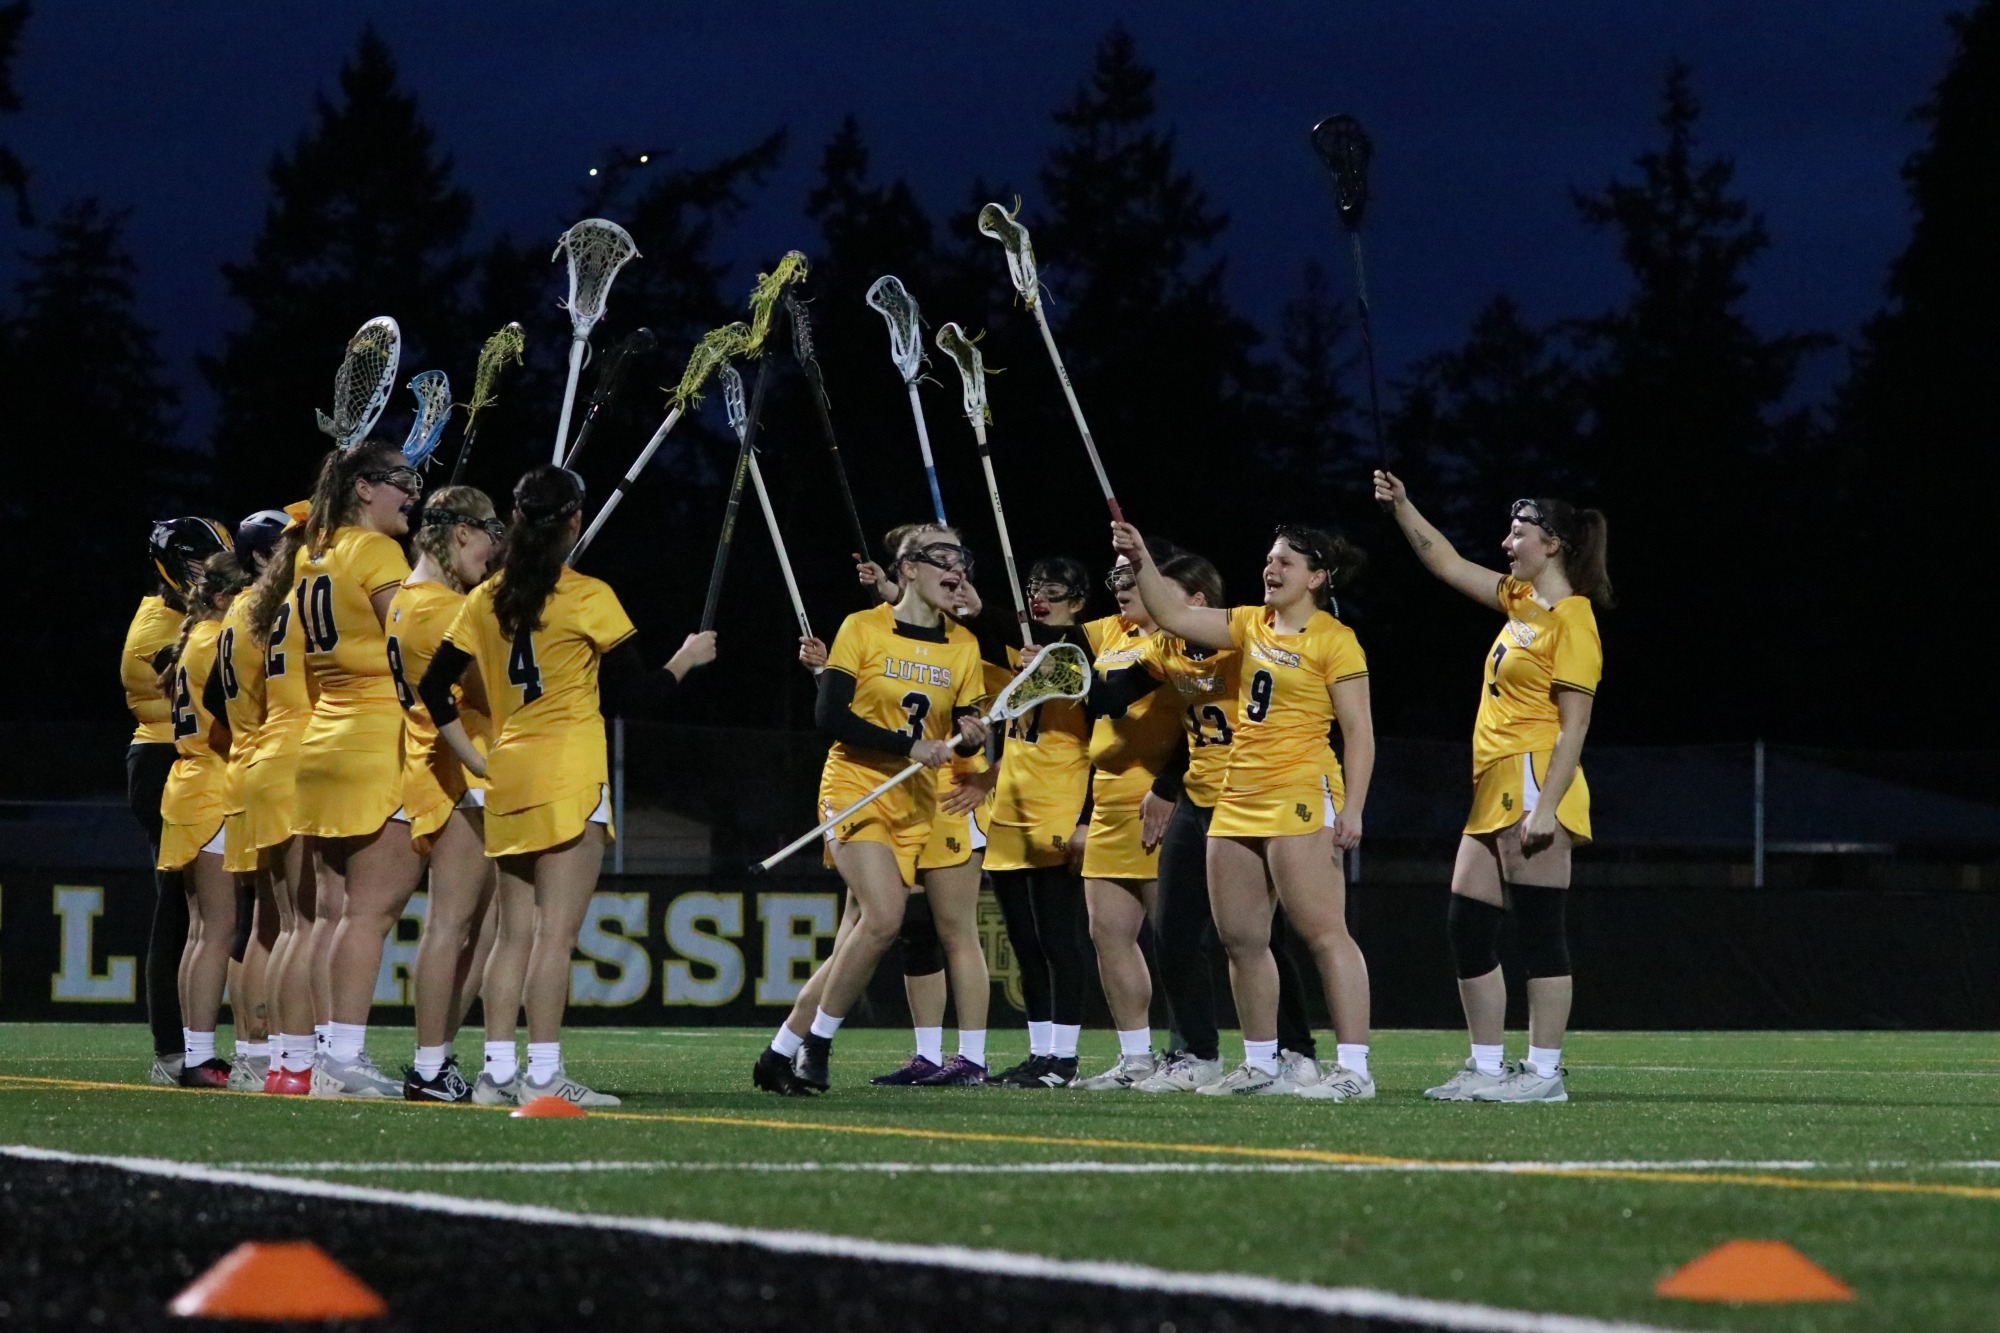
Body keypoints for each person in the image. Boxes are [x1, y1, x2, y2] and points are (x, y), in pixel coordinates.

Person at [421, 466, 715, 1107]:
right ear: (575, 520)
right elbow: (635, 697)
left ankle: (496, 1075)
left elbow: (432, 684)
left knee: (511, 937)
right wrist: (687, 659)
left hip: (508, 772)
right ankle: (543, 1074)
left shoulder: (484, 598)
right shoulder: (587, 595)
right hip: (569, 775)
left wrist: (473, 757)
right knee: (554, 936)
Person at [1111, 520, 1378, 1102]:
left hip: (1299, 789)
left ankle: (1354, 1070)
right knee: (1240, 938)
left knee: (1323, 934)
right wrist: (1140, 558)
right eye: (1269, 559)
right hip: (1238, 793)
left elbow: (1359, 733)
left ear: (1316, 578)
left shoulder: (1335, 639)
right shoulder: (1251, 623)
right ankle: (1261, 1064)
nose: (1270, 569)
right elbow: (1174, 615)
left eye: (1285, 562)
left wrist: (1354, 807)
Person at [1374, 473, 1609, 1104]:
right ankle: (1485, 1067)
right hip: (1496, 782)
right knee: (1467, 926)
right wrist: (1403, 506)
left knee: (1539, 930)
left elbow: (1574, 726)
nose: (1507, 543)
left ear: (1553, 544)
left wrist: (1548, 806)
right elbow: (1447, 564)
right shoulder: (1522, 602)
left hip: (1535, 779)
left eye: (1519, 532)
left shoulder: (1573, 620)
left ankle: (1544, 1074)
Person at [752, 525, 987, 1096]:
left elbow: (964, 735)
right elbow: (830, 717)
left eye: (960, 557)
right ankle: (818, 1045)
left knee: (857, 937)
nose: (956, 568)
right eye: (941, 557)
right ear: (908, 568)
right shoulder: (862, 627)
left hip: (916, 801)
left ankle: (779, 1052)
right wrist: (909, 746)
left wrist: (973, 737)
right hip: (855, 786)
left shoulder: (963, 645)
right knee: (884, 916)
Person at [289, 441, 424, 1097]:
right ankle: (344, 1056)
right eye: (402, 480)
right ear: (363, 488)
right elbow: (411, 643)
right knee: (369, 913)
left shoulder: (313, 552)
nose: (414, 492)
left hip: (325, 741)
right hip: (375, 740)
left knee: (332, 915)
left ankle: (325, 1054)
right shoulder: (375, 551)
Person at [388, 485, 502, 1102]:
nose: (493, 551)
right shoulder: (442, 609)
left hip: (440, 769)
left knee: (474, 930)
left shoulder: (410, 599)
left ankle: (439, 1060)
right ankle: (430, 1066)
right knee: (454, 927)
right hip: (460, 772)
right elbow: (492, 689)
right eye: (489, 536)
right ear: (461, 533)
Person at [1068, 552, 1184, 1090]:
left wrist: (1168, 788)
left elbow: (1202, 725)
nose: (1121, 585)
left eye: (1132, 574)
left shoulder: (1182, 637)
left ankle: (1189, 1053)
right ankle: (1136, 1059)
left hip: (1160, 802)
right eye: (1115, 575)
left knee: (1174, 937)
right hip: (1109, 802)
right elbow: (1053, 631)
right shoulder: (1112, 632)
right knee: (1108, 933)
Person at [980, 559, 1097, 1089]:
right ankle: (1039, 1053)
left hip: (1058, 806)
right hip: (1008, 810)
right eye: (1034, 588)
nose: (1040, 597)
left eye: (1053, 589)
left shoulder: (1082, 654)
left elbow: (1099, 741)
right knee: (1024, 944)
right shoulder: (1018, 652)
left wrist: (1086, 819)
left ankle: (1065, 1059)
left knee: (1059, 941)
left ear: (1078, 600)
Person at [126, 517, 230, 1084]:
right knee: (178, 913)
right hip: (169, 761)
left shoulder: (183, 618)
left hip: (189, 760)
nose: (208, 573)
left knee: (202, 917)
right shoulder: (156, 630)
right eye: (199, 562)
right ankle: (173, 1048)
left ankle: (192, 1046)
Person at [158, 550, 251, 1088]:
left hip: (189, 784)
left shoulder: (195, 638)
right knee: (218, 932)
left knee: (201, 932)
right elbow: (227, 723)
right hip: (213, 782)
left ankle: (196, 1054)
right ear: (221, 598)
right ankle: (201, 1057)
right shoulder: (217, 640)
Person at [238, 504, 320, 1094]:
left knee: (280, 926)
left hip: (263, 757)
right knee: (307, 924)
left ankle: (269, 1060)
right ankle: (297, 1063)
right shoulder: (308, 600)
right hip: (296, 756)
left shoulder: (261, 606)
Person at [209, 509, 292, 1091]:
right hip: (269, 762)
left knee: (257, 924)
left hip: (244, 764)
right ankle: (273, 1054)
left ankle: (250, 1053)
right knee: (279, 924)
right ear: (261, 557)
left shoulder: (237, 612)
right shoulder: (265, 610)